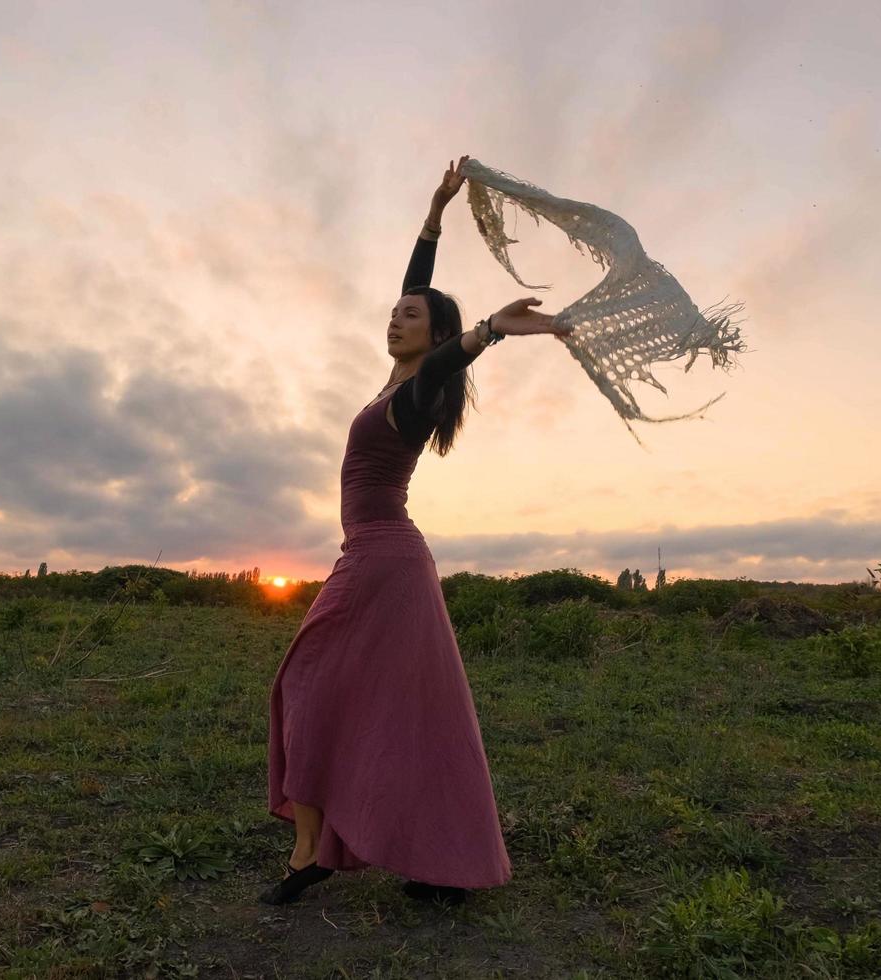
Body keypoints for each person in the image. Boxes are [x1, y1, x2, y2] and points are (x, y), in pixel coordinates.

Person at [262, 155, 573, 907]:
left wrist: (491, 331)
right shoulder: (394, 384)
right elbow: (419, 298)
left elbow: (443, 363)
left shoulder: (414, 400)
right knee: (407, 712)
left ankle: (312, 855)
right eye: (394, 311)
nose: (393, 315)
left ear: (434, 338)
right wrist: (435, 215)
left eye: (410, 316)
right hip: (381, 561)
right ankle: (429, 861)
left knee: (305, 686)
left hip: (381, 561)